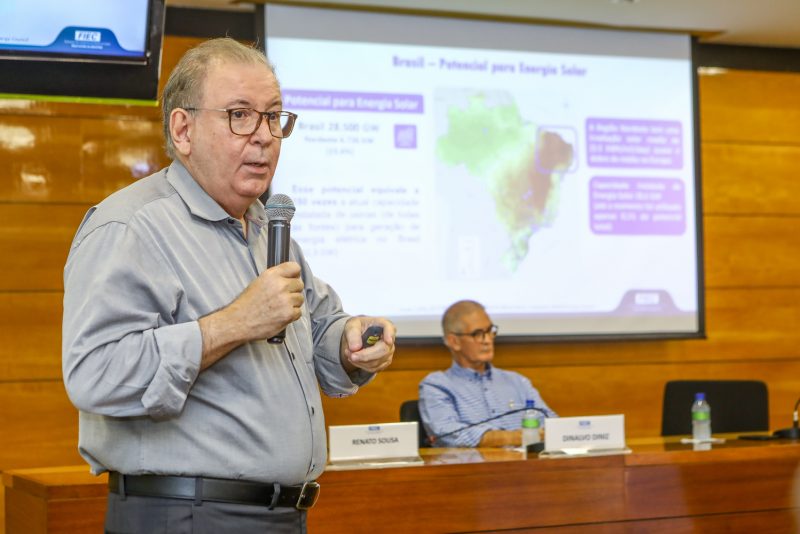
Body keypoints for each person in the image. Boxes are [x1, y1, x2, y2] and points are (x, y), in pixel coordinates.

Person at [61, 38, 395, 534]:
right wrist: (234, 324)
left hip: (281, 514)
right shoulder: (131, 227)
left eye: (273, 117)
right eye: (240, 115)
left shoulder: (266, 228)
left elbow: (318, 327)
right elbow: (95, 373)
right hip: (187, 516)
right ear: (183, 129)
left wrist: (349, 344)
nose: (264, 137)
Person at [418, 300, 555, 448]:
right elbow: (449, 434)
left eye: (490, 331)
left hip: (528, 462)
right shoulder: (437, 386)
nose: (488, 340)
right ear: (454, 341)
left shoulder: (517, 381)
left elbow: (553, 426)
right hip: (477, 463)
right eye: (478, 334)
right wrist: (519, 437)